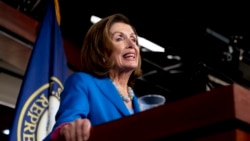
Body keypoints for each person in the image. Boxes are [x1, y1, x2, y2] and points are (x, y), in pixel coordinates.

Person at [43, 13, 142, 141]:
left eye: (134, 39)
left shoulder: (138, 101)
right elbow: (66, 124)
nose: (131, 45)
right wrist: (68, 129)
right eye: (119, 38)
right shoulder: (84, 83)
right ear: (101, 51)